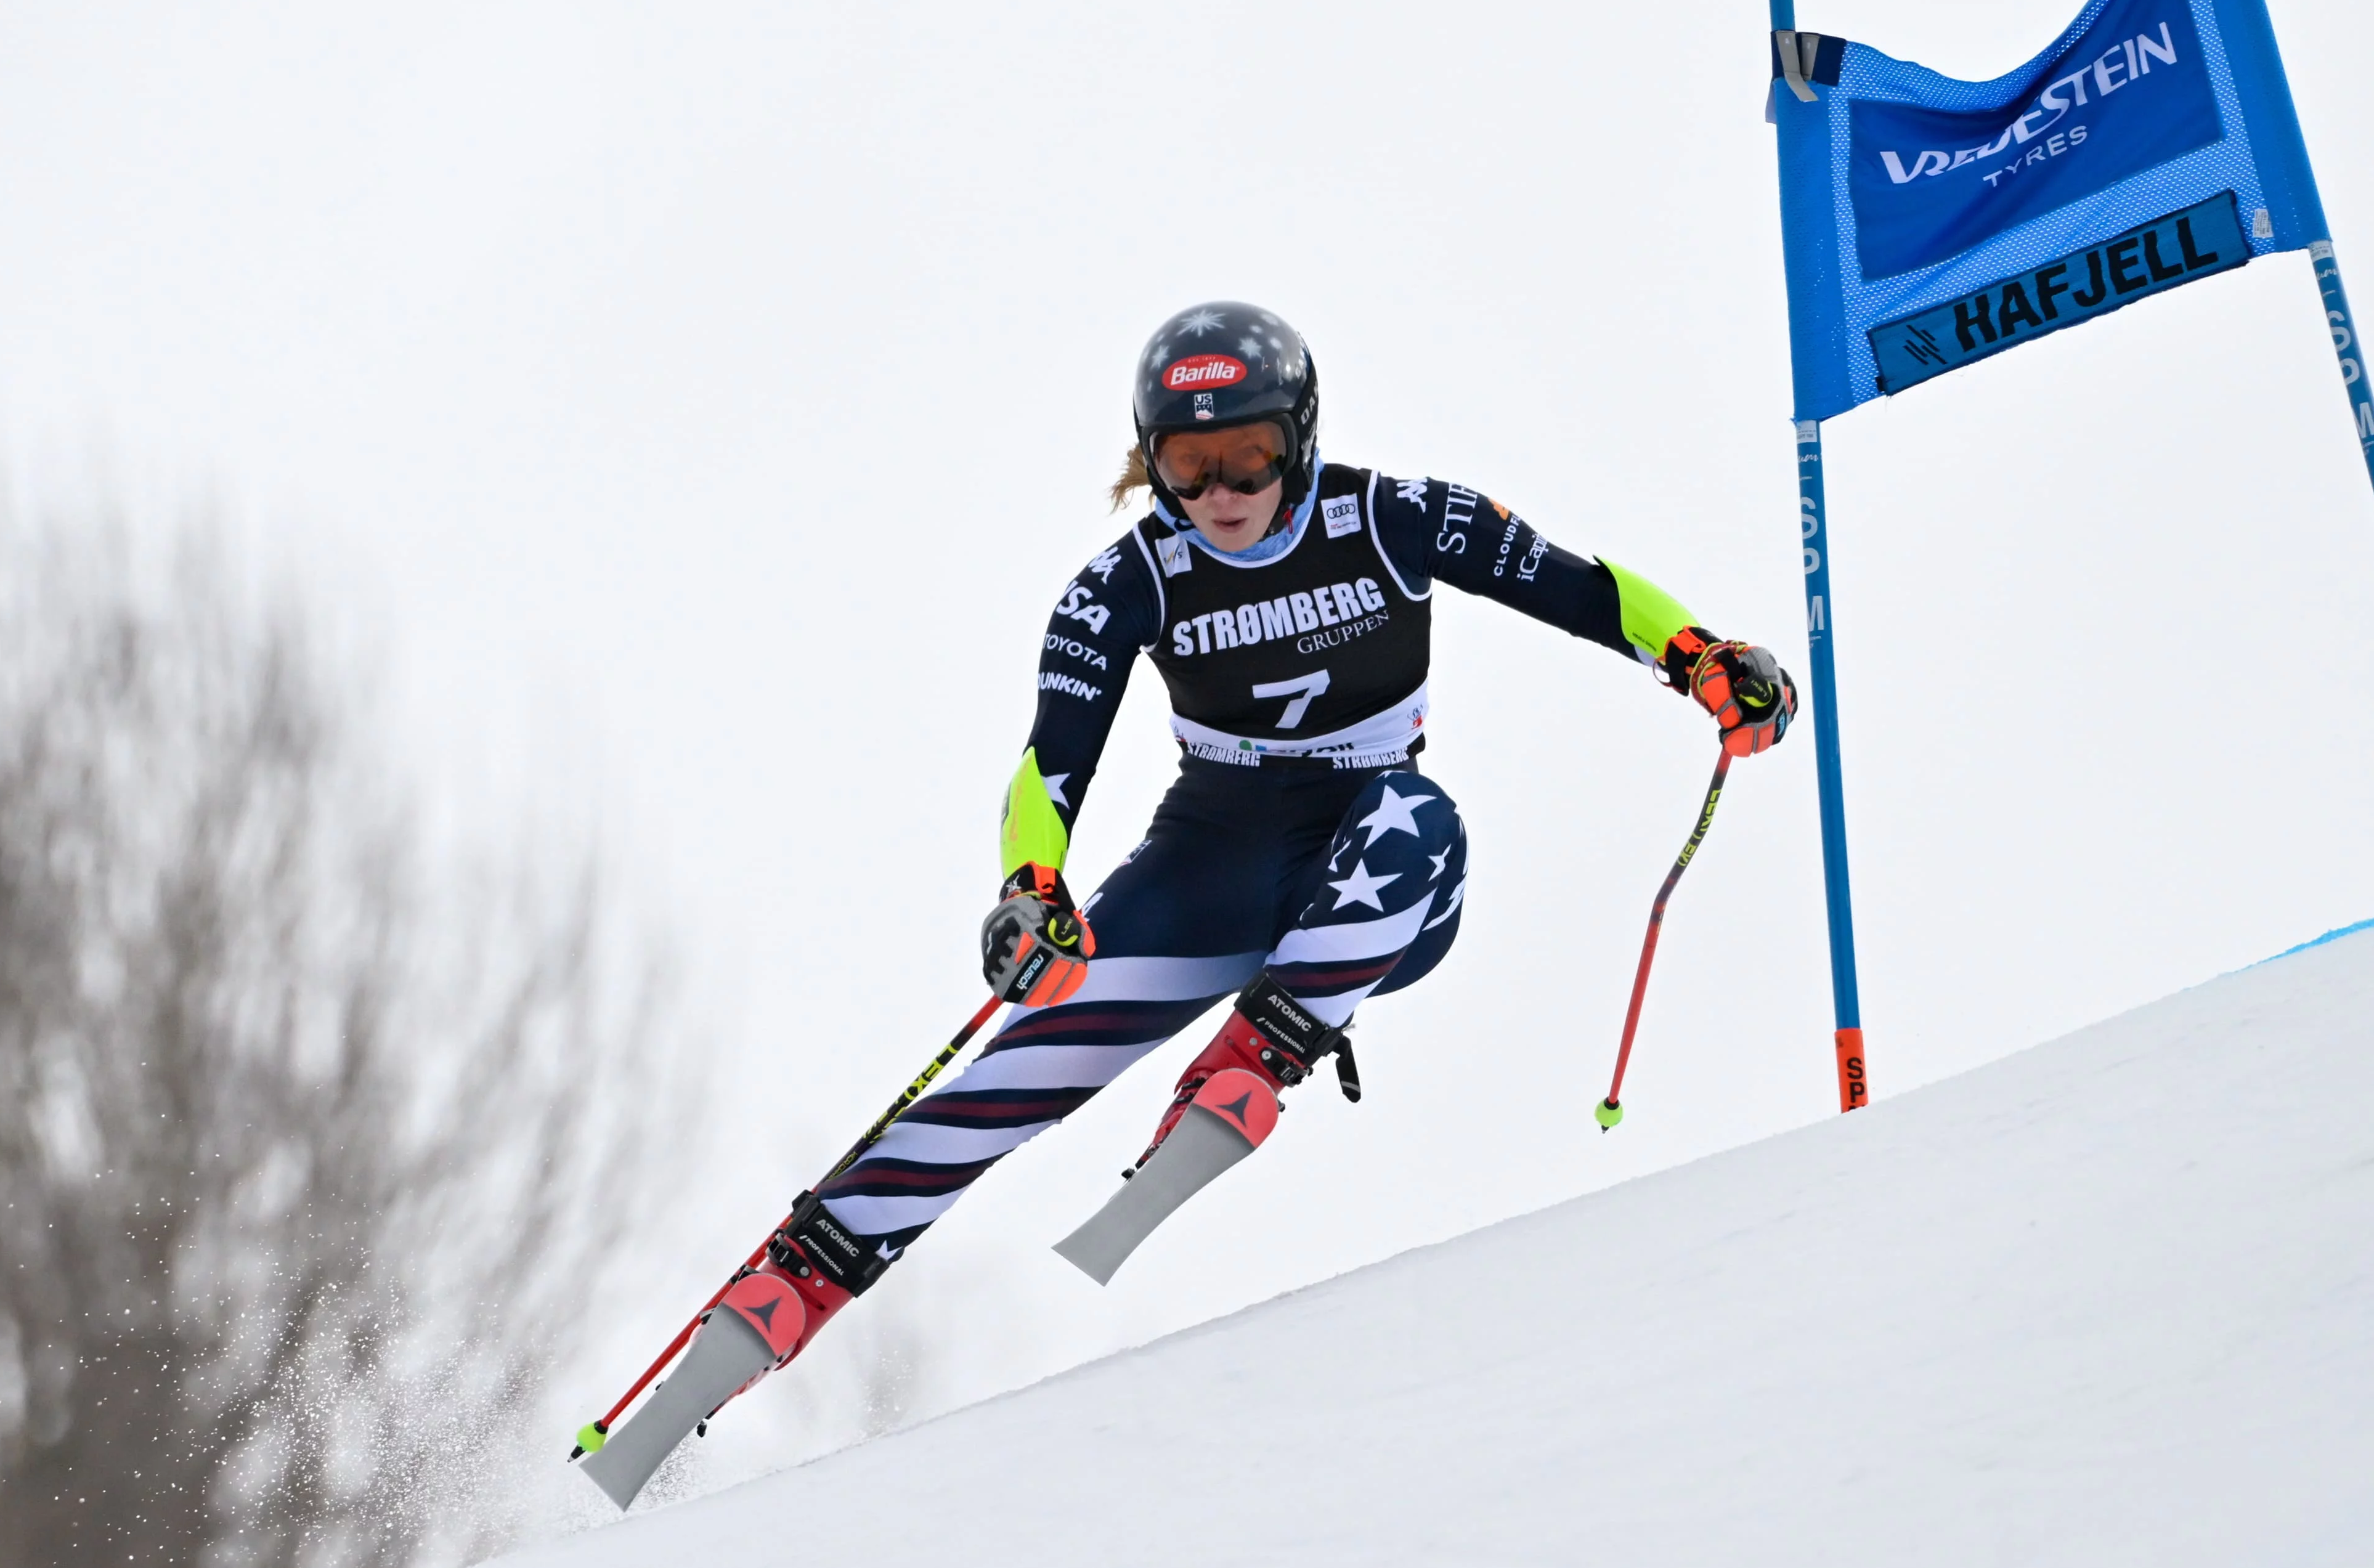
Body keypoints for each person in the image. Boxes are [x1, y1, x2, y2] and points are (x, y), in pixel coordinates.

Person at [764, 301, 1792, 1299]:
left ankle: (1256, 1053)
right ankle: (804, 1269)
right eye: (1187, 463)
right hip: (1209, 864)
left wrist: (1700, 656)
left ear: (1297, 437)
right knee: (1027, 1035)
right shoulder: (1129, 582)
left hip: (1370, 877)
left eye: (1247, 453)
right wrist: (1032, 887)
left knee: (1418, 816)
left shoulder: (1392, 517)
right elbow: (1051, 762)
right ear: (1150, 456)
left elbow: (1582, 589)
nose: (1220, 489)